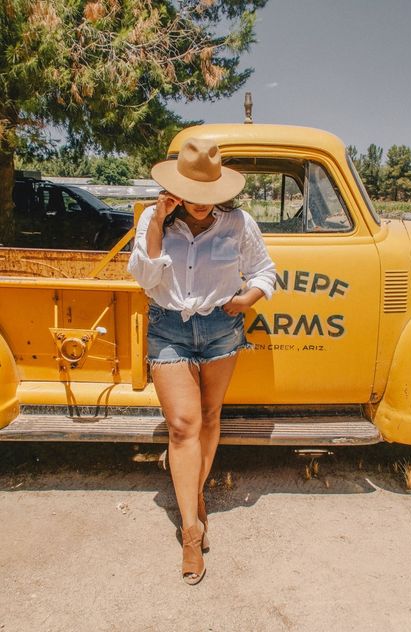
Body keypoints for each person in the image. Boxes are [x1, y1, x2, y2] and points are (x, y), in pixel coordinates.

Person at [127, 137, 276, 584]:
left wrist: (248, 297)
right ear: (176, 187)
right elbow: (145, 277)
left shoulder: (239, 224)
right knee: (182, 425)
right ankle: (192, 532)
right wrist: (156, 221)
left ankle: (195, 494)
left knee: (210, 416)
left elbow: (266, 269)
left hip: (220, 330)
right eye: (190, 193)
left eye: (207, 195)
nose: (198, 203)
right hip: (168, 328)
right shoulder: (155, 221)